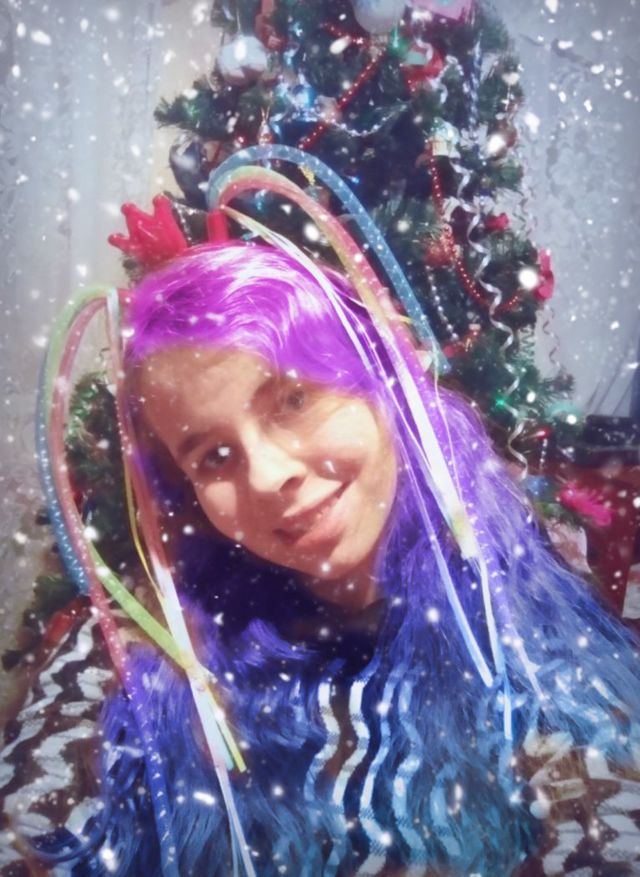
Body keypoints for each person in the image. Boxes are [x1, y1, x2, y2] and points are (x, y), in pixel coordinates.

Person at [2, 238, 640, 877]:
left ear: (382, 384)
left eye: (294, 400)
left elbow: (603, 801)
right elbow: (31, 824)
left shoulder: (519, 597)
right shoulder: (144, 644)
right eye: (214, 457)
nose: (267, 476)